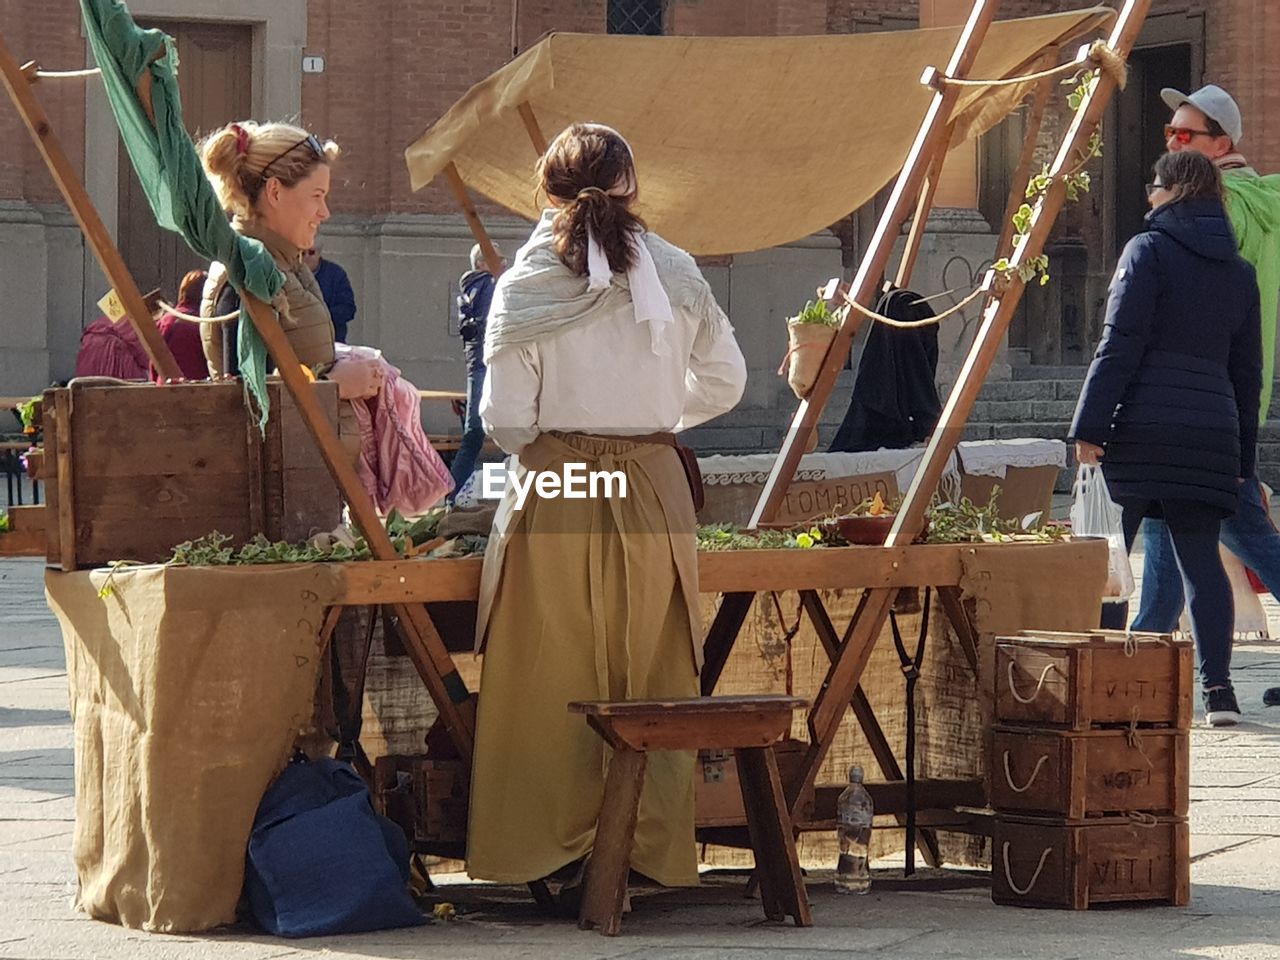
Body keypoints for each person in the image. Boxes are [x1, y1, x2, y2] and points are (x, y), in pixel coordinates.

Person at [466, 123, 747, 893]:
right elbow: (726, 381)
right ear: (632, 186)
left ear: (546, 192)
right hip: (653, 482)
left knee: (547, 662)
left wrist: (582, 435)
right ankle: (647, 850)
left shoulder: (525, 281)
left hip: (557, 480)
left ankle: (549, 855)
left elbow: (506, 421)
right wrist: (652, 423)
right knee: (651, 661)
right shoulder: (677, 269)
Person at [1070, 150, 1262, 727]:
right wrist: (1242, 457)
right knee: (1201, 559)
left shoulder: (1145, 252)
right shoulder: (1239, 271)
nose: (1148, 196)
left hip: (1142, 430)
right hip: (1210, 431)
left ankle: (1105, 682)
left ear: (1173, 190)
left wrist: (1088, 427)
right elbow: (1247, 373)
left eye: (1153, 187)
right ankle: (1220, 692)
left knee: (1104, 558)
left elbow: (1119, 344)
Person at [1134, 86, 1280, 655]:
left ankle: (1148, 644)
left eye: (1185, 135)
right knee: (1167, 521)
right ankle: (1146, 641)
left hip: (1201, 397)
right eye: (1169, 133)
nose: (1171, 144)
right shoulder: (1263, 199)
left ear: (1221, 144)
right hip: (1223, 393)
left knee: (1240, 528)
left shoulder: (1226, 205)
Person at [197, 120, 383, 459]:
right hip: (274, 496)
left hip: (300, 487)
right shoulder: (246, 275)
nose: (324, 212)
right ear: (275, 192)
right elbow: (242, 404)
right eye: (316, 196)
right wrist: (334, 386)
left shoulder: (280, 266)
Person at [450, 242, 504, 496]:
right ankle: (510, 495)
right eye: (498, 259)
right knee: (512, 432)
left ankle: (453, 492)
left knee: (473, 433)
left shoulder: (468, 288)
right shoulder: (492, 286)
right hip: (495, 364)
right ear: (483, 263)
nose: (504, 264)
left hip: (475, 365)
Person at [151, 269, 210, 381]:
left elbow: (154, 359)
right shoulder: (205, 323)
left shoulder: (166, 320)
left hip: (166, 387)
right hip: (199, 390)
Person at [301, 244, 357, 343]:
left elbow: (348, 309)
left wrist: (321, 316)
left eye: (311, 253)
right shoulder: (291, 273)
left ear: (319, 254)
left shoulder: (336, 274)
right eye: (302, 253)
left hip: (330, 340)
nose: (306, 257)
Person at [74, 313, 149, 380]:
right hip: (118, 365)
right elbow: (147, 357)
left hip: (90, 366)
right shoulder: (135, 322)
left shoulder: (109, 319)